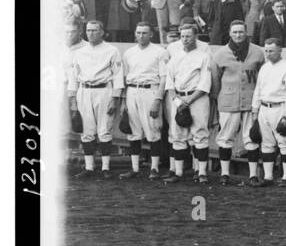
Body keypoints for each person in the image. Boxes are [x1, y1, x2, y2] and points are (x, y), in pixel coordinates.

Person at [67, 18, 125, 178]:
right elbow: (73, 77)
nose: (91, 33)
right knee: (86, 130)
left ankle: (105, 168)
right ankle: (89, 167)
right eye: (88, 30)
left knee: (104, 130)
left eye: (94, 30)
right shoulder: (79, 52)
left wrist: (115, 98)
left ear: (102, 32)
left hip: (104, 91)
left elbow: (118, 75)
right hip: (84, 91)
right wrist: (72, 100)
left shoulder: (111, 50)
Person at [208, 20, 264, 185]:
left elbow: (262, 77)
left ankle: (253, 175)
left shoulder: (257, 52)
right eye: (235, 32)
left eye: (241, 32)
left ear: (246, 32)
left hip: (250, 102)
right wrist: (219, 99)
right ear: (230, 33)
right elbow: (215, 80)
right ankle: (225, 174)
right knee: (225, 137)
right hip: (228, 102)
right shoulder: (221, 54)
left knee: (251, 138)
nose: (238, 35)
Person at [163, 22, 212, 185]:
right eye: (182, 36)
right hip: (178, 99)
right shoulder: (175, 57)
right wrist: (177, 100)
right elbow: (169, 82)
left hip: (197, 98)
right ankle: (178, 172)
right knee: (178, 135)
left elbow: (205, 83)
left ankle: (202, 172)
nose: (185, 39)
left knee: (200, 134)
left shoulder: (203, 56)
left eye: (188, 36)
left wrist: (189, 100)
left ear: (195, 37)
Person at [118, 20, 168, 179]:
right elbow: (125, 78)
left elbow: (164, 78)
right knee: (133, 132)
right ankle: (134, 169)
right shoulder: (129, 53)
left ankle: (154, 169)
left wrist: (158, 99)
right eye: (138, 32)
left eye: (144, 33)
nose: (141, 35)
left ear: (151, 34)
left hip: (150, 91)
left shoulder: (160, 52)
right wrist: (124, 101)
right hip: (132, 91)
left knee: (153, 131)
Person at [249, 37, 286, 187]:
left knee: (285, 142)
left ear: (280, 51)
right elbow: (258, 90)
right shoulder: (264, 67)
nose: (268, 54)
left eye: (271, 51)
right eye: (266, 51)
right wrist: (255, 111)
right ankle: (268, 176)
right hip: (264, 108)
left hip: (281, 107)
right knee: (267, 143)